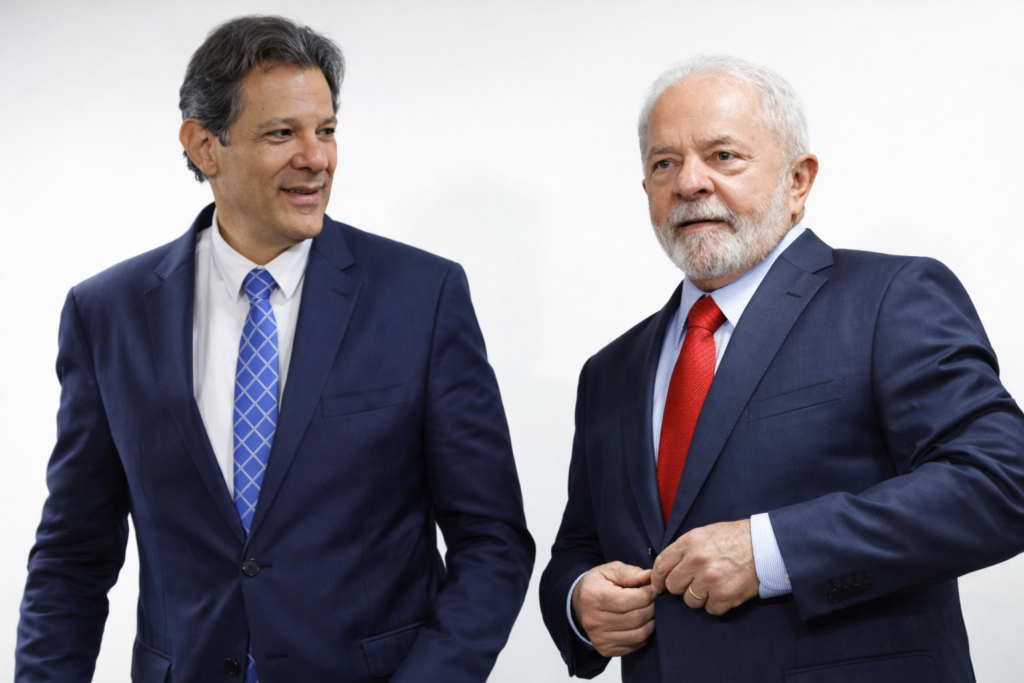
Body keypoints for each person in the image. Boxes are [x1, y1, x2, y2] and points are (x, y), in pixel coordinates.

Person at [16, 15, 534, 683]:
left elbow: (492, 541)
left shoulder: (422, 297)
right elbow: (71, 558)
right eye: (282, 133)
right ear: (205, 145)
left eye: (326, 131)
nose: (316, 158)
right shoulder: (108, 315)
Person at [539, 55, 1024, 682]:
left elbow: (1001, 481)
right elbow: (579, 545)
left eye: (723, 156)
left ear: (798, 180)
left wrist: (770, 552)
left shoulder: (890, 297)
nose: (690, 182)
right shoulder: (610, 371)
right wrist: (578, 602)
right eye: (664, 163)